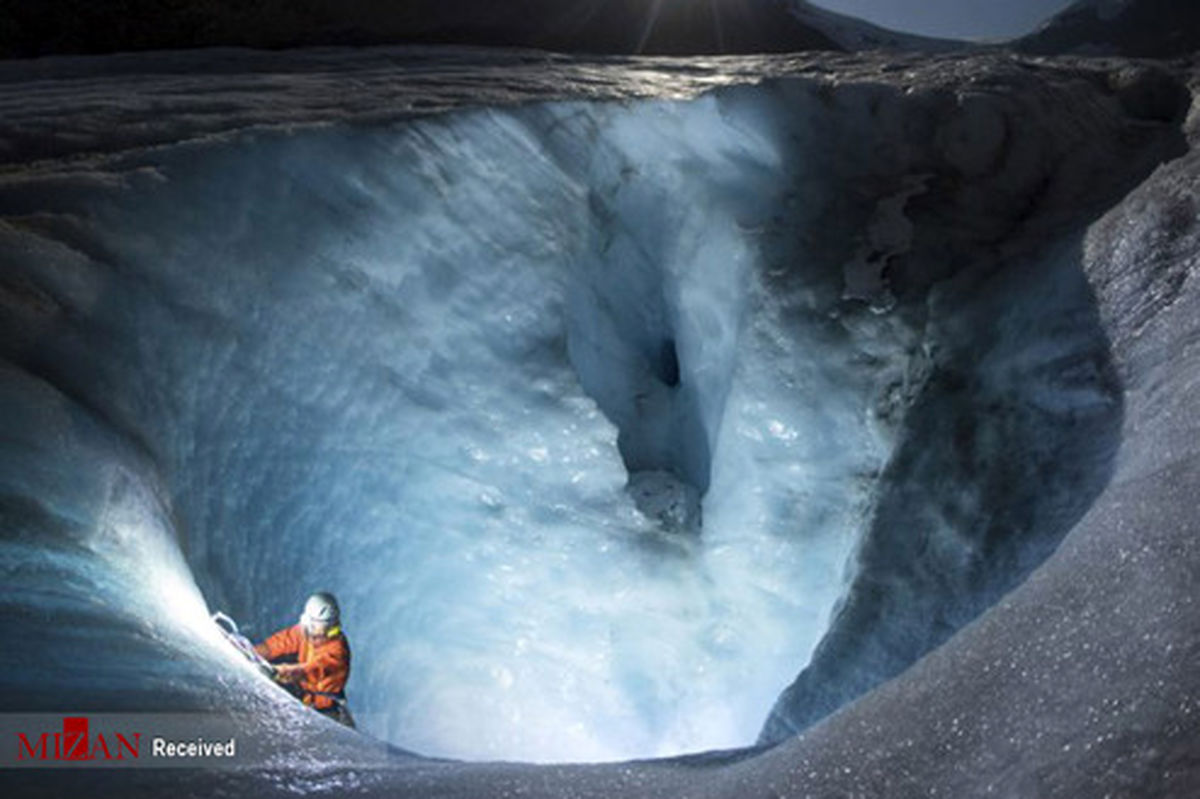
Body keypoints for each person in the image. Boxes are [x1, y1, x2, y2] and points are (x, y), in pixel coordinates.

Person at [255, 592, 353, 726]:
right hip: (305, 698)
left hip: (327, 712)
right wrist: (257, 652)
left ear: (330, 624)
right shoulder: (307, 633)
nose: (311, 627)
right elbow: (283, 641)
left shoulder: (337, 650)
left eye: (315, 624)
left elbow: (312, 670)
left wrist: (280, 672)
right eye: (310, 622)